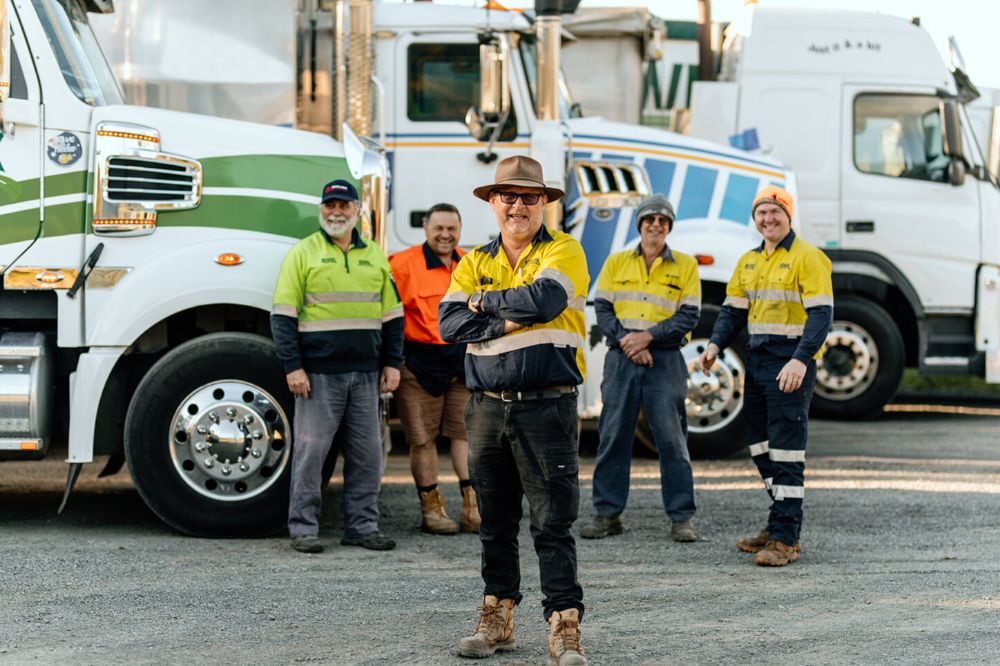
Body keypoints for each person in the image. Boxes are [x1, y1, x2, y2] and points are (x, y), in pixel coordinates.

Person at [439, 156, 589, 666]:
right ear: (493, 202)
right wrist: (503, 321)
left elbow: (544, 301)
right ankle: (496, 616)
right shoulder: (473, 258)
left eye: (529, 196)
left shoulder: (565, 250)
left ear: (544, 203)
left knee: (552, 523)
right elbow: (449, 324)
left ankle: (563, 625)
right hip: (486, 409)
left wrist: (484, 304)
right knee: (494, 522)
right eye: (508, 196)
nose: (518, 205)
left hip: (546, 408)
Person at [698, 185, 833, 567]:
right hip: (758, 362)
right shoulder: (748, 261)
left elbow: (821, 316)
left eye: (775, 212)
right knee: (759, 444)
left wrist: (801, 360)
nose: (768, 219)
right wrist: (714, 346)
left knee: (787, 450)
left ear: (788, 215)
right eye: (762, 213)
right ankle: (780, 522)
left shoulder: (810, 258)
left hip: (790, 363)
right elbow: (732, 312)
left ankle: (785, 538)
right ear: (755, 219)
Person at [271, 178, 403, 553]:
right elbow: (283, 315)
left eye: (344, 205)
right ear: (321, 209)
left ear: (357, 210)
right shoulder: (303, 253)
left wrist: (392, 363)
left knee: (368, 456)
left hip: (366, 375)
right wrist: (293, 367)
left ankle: (362, 527)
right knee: (311, 455)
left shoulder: (375, 255)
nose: (337, 211)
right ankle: (303, 529)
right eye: (331, 205)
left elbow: (393, 315)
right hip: (317, 375)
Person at [580, 194, 701, 543]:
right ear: (640, 224)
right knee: (613, 436)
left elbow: (689, 315)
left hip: (665, 361)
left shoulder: (686, 266)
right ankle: (607, 515)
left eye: (663, 220)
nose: (655, 225)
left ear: (669, 227)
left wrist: (647, 338)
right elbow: (602, 308)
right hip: (622, 360)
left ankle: (681, 518)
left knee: (672, 441)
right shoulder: (617, 262)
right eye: (649, 219)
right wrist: (630, 344)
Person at [388, 203, 481, 536]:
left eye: (451, 229)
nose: (445, 235)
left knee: (464, 435)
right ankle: (432, 510)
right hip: (417, 363)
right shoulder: (402, 264)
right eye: (438, 228)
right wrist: (392, 361)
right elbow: (390, 315)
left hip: (460, 361)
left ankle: (472, 507)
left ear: (459, 229)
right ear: (426, 228)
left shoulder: (469, 262)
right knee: (422, 439)